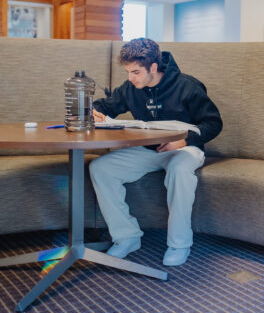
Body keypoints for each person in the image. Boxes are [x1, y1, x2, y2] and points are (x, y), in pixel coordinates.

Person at [89, 37, 222, 266]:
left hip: (184, 150)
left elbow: (213, 124)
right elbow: (105, 106)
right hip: (148, 150)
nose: (131, 78)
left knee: (179, 170)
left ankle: (179, 244)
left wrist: (183, 141)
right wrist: (94, 112)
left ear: (153, 67)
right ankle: (127, 236)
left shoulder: (188, 86)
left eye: (136, 72)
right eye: (128, 72)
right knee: (100, 168)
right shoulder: (130, 89)